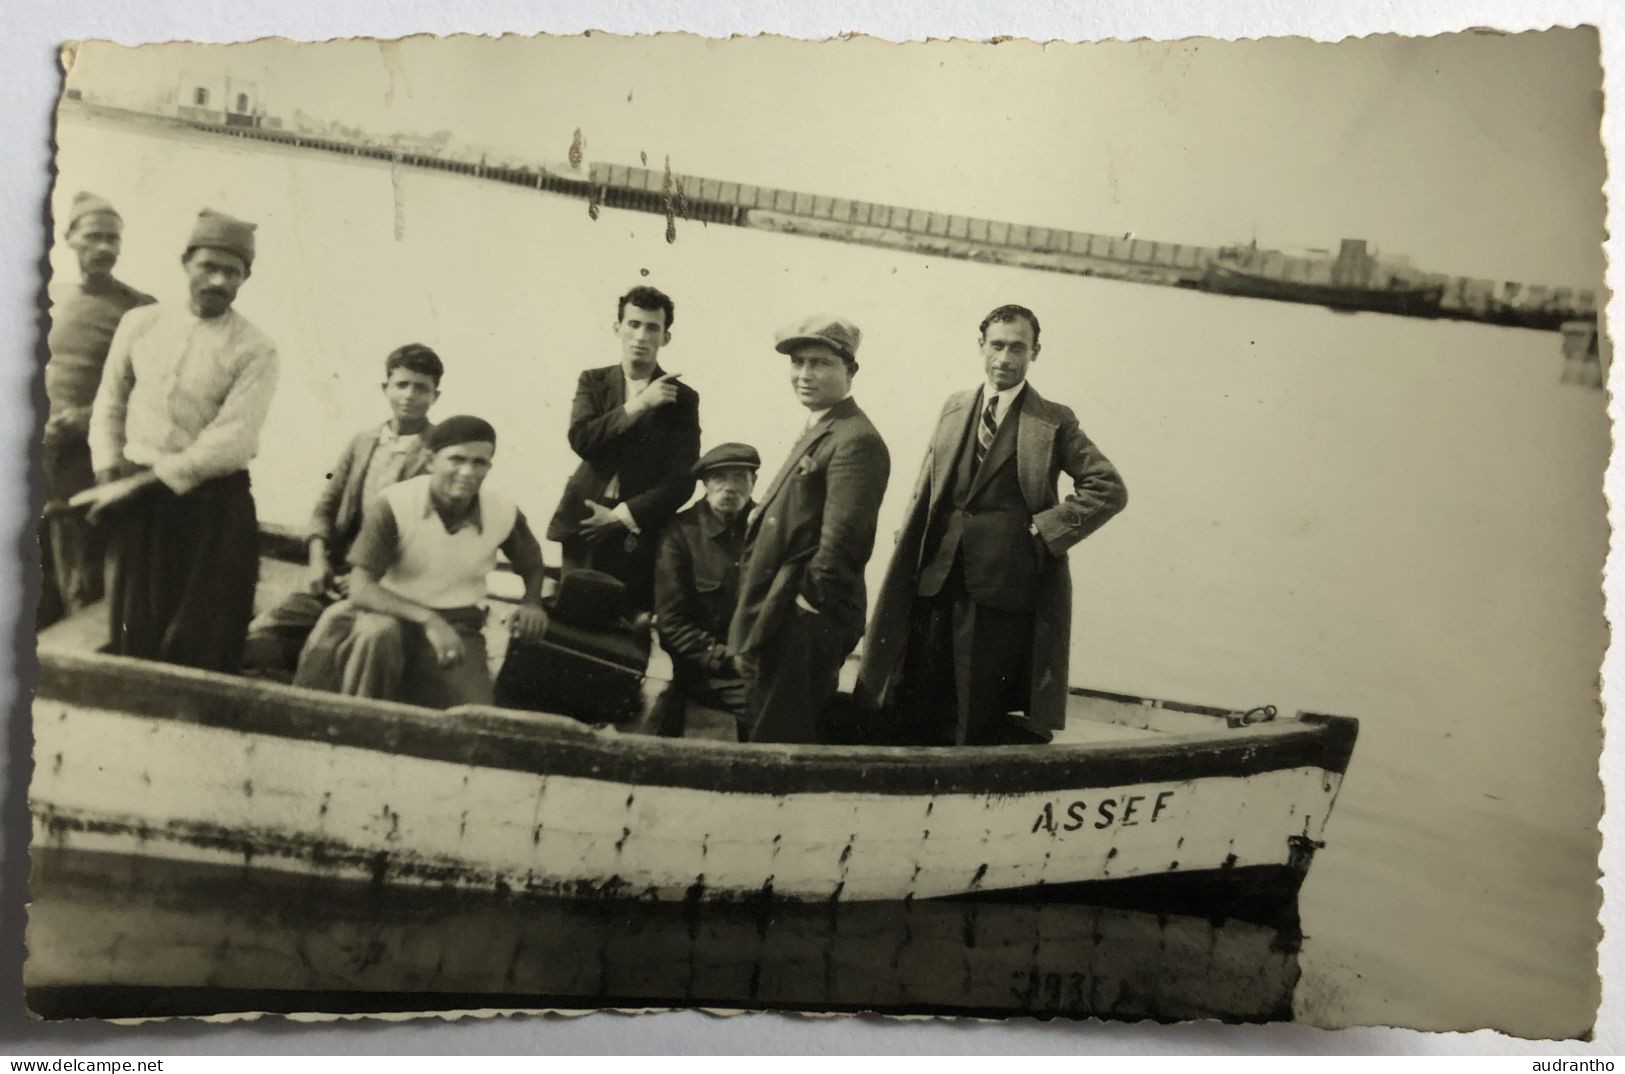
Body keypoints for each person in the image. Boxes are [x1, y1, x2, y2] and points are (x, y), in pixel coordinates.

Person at [856, 304, 1127, 745]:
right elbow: (929, 483)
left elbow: (1108, 487)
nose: (1005, 358)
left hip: (1001, 591)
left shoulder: (1053, 420)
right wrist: (909, 531)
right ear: (980, 346)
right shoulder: (955, 407)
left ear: (1035, 352)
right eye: (996, 345)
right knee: (916, 694)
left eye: (1017, 348)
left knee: (973, 710)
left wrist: (1048, 527)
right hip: (936, 579)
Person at [77, 208, 278, 672]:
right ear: (185, 262)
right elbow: (110, 403)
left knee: (199, 646)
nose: (218, 281)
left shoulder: (255, 349)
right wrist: (109, 476)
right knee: (133, 635)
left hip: (212, 510)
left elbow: (230, 441)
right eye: (208, 266)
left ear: (245, 278)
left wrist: (132, 487)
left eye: (232, 272)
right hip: (138, 504)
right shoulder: (140, 323)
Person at [293, 416, 548, 708]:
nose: (467, 472)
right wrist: (429, 619)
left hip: (458, 625)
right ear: (430, 461)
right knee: (376, 635)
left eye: (479, 463)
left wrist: (532, 602)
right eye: (456, 459)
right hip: (386, 613)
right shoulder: (395, 504)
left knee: (473, 716)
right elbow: (362, 588)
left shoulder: (502, 511)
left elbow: (532, 562)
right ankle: (360, 725)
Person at [728, 316, 890, 744]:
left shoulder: (856, 440)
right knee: (765, 733)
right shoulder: (822, 427)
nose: (804, 374)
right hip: (781, 617)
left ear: (850, 371)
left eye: (820, 363)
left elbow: (844, 542)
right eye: (798, 362)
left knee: (779, 742)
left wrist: (803, 606)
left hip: (803, 622)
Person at [241, 344, 444, 678]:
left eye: (421, 388)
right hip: (333, 578)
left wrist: (368, 579)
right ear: (386, 388)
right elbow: (326, 505)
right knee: (259, 635)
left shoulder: (439, 455)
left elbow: (425, 538)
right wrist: (318, 559)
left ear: (435, 395)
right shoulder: (363, 442)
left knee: (340, 648)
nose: (409, 395)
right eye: (401, 384)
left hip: (388, 590)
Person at [545, 285, 700, 612]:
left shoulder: (682, 399)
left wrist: (621, 516)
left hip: (636, 532)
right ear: (617, 328)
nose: (641, 336)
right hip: (583, 523)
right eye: (633, 324)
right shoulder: (593, 381)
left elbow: (682, 480)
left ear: (665, 338)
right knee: (571, 623)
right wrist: (641, 404)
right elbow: (582, 440)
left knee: (625, 629)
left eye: (652, 327)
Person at [39, 192, 156, 625]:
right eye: (94, 237)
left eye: (113, 239)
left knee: (83, 578)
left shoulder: (139, 309)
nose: (105, 248)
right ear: (70, 239)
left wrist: (86, 418)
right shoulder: (47, 296)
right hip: (38, 457)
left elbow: (151, 393)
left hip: (91, 462)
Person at [652, 442, 761, 738]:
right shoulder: (680, 534)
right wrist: (728, 659)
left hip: (759, 665)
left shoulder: (770, 528)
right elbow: (672, 625)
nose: (729, 488)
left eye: (740, 477)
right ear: (704, 484)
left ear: (754, 483)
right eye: (719, 478)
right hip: (707, 669)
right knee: (769, 713)